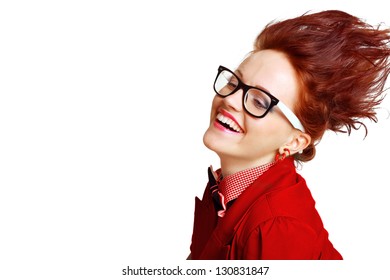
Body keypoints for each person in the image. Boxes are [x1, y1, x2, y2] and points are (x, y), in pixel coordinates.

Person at [188, 10, 390, 260]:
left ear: (295, 141)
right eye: (233, 83)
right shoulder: (226, 191)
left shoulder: (278, 228)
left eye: (260, 102)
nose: (229, 100)